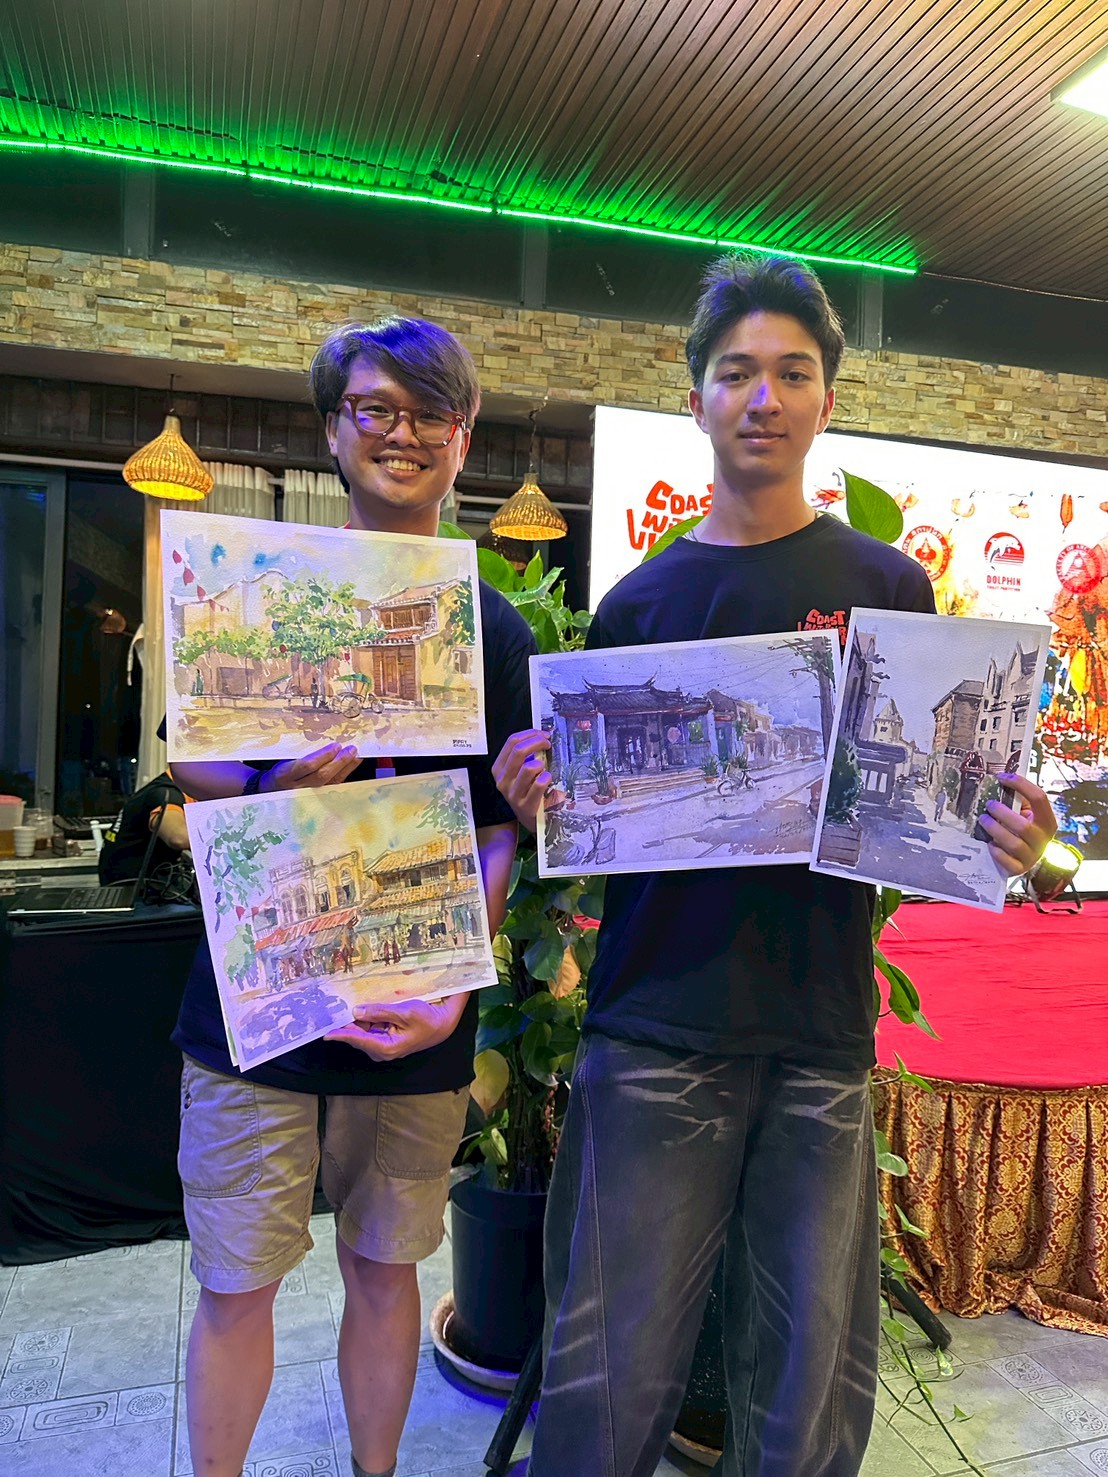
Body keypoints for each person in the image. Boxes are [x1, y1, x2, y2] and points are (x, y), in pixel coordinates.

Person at [493, 254, 1057, 1477]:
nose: (763, 397)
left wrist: (1002, 834)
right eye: (737, 372)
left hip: (816, 1031)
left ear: (825, 402)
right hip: (652, 1026)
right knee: (604, 1376)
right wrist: (541, 798)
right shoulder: (638, 605)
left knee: (806, 1386)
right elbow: (590, 833)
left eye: (791, 373)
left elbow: (932, 807)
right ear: (695, 398)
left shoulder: (883, 588)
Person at [169, 316, 535, 1477]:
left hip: (412, 998)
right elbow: (193, 764)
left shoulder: (491, 624)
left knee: (387, 1267)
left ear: (462, 441)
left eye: (430, 413)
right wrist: (270, 787)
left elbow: (496, 825)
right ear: (333, 430)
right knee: (236, 1277)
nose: (402, 433)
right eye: (376, 408)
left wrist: (453, 986)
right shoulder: (262, 592)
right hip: (260, 986)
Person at [97, 769, 192, 885]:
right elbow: (178, 837)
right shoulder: (166, 793)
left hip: (137, 879)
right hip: (133, 887)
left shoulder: (163, 785)